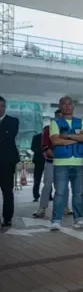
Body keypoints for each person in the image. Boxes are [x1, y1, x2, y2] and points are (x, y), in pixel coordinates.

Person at [49, 96, 83, 231]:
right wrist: (78, 139)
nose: (67, 106)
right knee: (60, 193)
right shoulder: (55, 123)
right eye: (64, 104)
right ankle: (56, 220)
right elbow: (55, 141)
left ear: (73, 106)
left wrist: (67, 136)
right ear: (60, 106)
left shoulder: (81, 122)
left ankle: (79, 219)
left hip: (78, 162)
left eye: (70, 104)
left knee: (78, 193)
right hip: (61, 163)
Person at [0, 96, 19, 227]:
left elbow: (9, 137)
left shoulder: (13, 121)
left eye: (2, 106)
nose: (1, 108)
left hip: (6, 162)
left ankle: (7, 218)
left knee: (7, 191)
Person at [31, 131, 45, 202]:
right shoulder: (36, 137)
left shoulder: (50, 137)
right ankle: (36, 195)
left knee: (48, 179)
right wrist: (42, 151)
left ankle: (49, 195)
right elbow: (32, 148)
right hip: (38, 160)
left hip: (47, 160)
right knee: (37, 179)